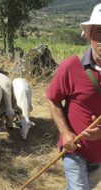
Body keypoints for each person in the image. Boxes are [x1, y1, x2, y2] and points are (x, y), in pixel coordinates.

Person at [46, 3, 101, 190]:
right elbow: (53, 100)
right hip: (74, 149)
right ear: (89, 35)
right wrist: (66, 133)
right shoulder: (71, 66)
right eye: (100, 32)